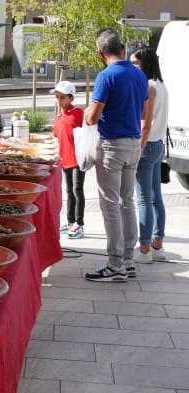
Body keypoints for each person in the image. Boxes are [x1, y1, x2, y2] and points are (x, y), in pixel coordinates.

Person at [84, 28, 148, 282]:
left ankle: (115, 264)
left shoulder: (106, 76)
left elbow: (91, 117)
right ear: (122, 48)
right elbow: (143, 113)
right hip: (134, 144)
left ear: (101, 53)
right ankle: (129, 261)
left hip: (112, 146)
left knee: (110, 204)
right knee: (127, 201)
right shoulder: (139, 75)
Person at [130, 47, 169, 264]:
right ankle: (157, 244)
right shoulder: (162, 85)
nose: (132, 67)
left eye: (135, 63)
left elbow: (146, 124)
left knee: (144, 198)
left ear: (145, 63)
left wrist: (138, 149)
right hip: (158, 146)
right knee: (155, 197)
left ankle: (144, 248)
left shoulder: (149, 86)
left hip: (147, 147)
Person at [51, 81, 86, 239]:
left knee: (77, 191)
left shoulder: (79, 114)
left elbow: (88, 134)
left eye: (62, 97)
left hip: (78, 160)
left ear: (71, 98)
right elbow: (56, 139)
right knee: (69, 192)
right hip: (65, 160)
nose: (59, 100)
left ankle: (79, 224)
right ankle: (70, 221)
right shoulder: (58, 118)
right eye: (57, 97)